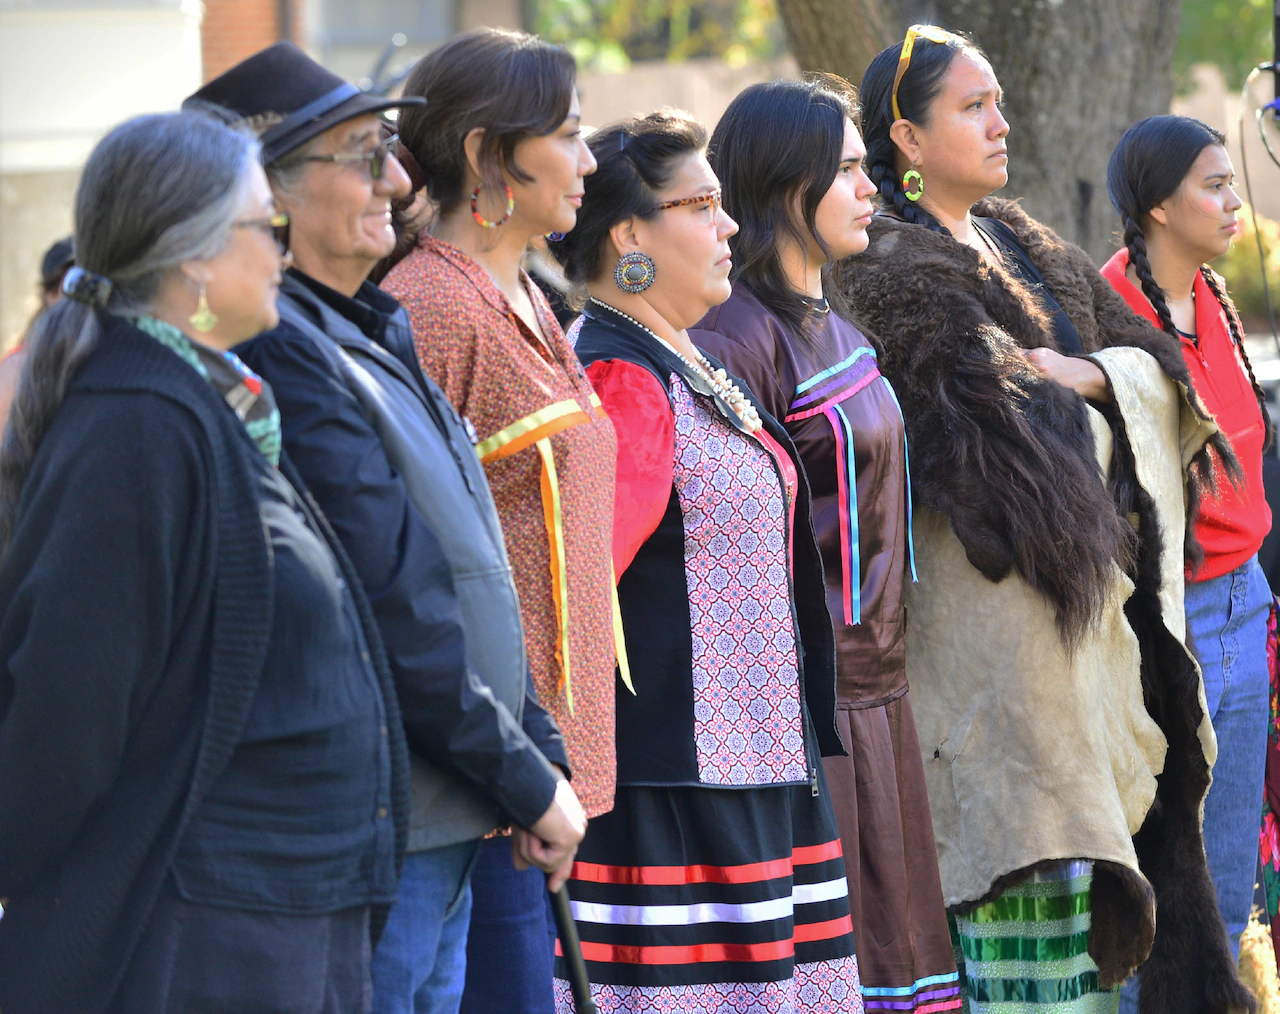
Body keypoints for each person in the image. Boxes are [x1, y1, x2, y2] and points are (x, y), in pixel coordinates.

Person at [831, 27, 1255, 1013]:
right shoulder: (887, 271)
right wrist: (1101, 390)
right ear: (904, 134)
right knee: (1032, 941)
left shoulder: (1020, 240)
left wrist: (1095, 375)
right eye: (971, 107)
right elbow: (1006, 457)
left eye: (996, 101)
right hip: (998, 675)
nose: (1000, 121)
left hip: (1102, 653)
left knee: (1123, 940)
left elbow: (1143, 361)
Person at [185, 42, 586, 1014]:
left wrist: (534, 746)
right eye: (364, 154)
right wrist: (524, 773)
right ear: (267, 192)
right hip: (389, 820)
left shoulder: (367, 327)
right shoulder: (282, 354)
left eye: (390, 151)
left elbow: (471, 565)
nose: (399, 180)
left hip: (451, 806)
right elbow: (391, 597)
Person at [0, 111, 411, 1014]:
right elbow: (70, 705)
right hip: (208, 934)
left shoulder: (209, 403)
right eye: (263, 227)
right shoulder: (137, 427)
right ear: (191, 257)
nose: (280, 251)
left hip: (281, 916)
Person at [545, 108, 863, 1014]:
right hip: (676, 798)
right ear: (630, 236)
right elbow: (575, 592)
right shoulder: (621, 379)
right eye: (702, 205)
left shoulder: (674, 359)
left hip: (748, 770)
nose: (729, 226)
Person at [691, 76, 961, 1013]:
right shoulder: (733, 339)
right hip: (806, 718)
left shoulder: (835, 325)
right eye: (843, 169)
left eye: (861, 164)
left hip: (880, 701)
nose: (869, 187)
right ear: (779, 182)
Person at [382, 30, 621, 1014]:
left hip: (542, 776)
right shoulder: (428, 306)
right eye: (567, 135)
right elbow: (402, 558)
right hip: (477, 781)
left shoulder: (523, 289)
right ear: (487, 156)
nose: (590, 161)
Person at [1103, 113, 1274, 994]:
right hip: (1172, 618)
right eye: (1214, 185)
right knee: (1168, 892)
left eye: (1230, 182)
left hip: (1246, 607)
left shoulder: (1212, 298)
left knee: (1233, 887)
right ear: (1159, 207)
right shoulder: (1109, 310)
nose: (1232, 199)